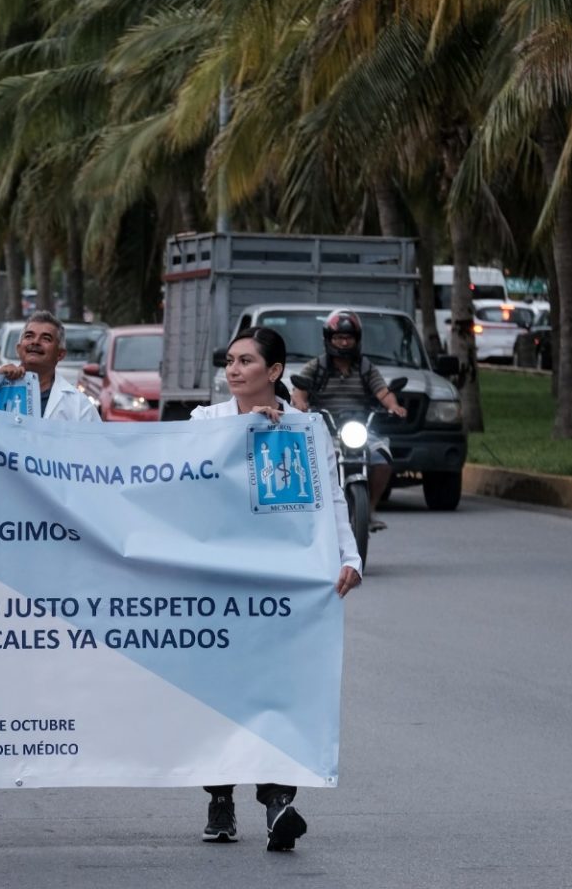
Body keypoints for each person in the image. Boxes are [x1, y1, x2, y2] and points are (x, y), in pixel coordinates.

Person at [191, 326, 361, 850]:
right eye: (230, 361)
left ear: (275, 371)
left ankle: (277, 801)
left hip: (285, 580)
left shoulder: (307, 429)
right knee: (224, 689)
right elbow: (181, 479)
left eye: (246, 361)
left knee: (281, 688)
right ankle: (220, 798)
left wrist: (350, 555)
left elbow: (331, 495)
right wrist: (244, 434)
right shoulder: (205, 422)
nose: (234, 369)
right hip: (221, 578)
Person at [290, 309, 406, 530]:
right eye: (339, 337)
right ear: (329, 339)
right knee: (311, 463)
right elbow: (299, 392)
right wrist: (301, 404)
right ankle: (315, 511)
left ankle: (369, 509)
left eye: (348, 338)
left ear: (357, 339)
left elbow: (383, 393)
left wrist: (394, 406)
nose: (344, 343)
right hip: (326, 430)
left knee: (382, 459)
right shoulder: (317, 367)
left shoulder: (365, 367)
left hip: (360, 429)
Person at [0, 311, 98, 420]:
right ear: (18, 349)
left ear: (60, 354)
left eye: (46, 338)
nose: (35, 342)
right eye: (29, 336)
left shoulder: (80, 405)